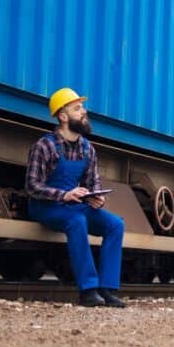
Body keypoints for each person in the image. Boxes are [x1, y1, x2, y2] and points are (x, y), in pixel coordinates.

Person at [26, 88, 126, 307]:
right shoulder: (45, 146)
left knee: (116, 225)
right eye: (77, 108)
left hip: (74, 205)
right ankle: (88, 290)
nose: (84, 112)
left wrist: (96, 197)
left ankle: (106, 289)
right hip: (46, 206)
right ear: (63, 116)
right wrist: (64, 194)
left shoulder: (88, 149)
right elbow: (32, 186)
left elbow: (93, 182)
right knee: (77, 220)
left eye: (82, 107)